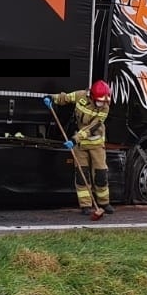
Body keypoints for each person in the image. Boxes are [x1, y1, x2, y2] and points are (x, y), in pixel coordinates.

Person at [51, 80, 112, 218]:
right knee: (82, 174)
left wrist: (75, 139)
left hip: (96, 145)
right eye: (100, 101)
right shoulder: (81, 95)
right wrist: (52, 98)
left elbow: (91, 128)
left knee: (101, 174)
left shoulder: (105, 109)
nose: (102, 104)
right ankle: (85, 205)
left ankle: (104, 203)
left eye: (105, 101)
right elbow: (65, 98)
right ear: (92, 96)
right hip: (80, 146)